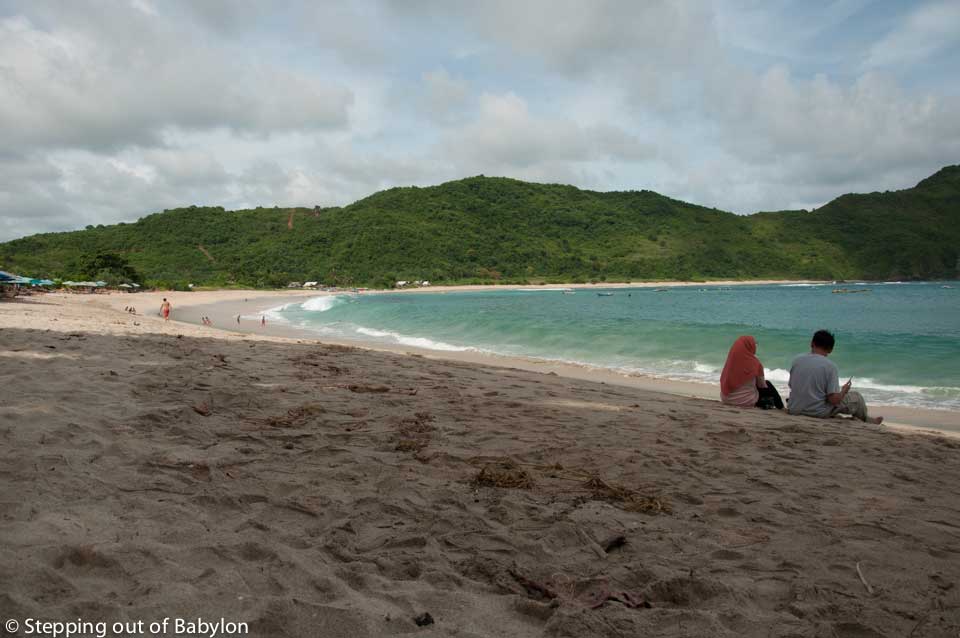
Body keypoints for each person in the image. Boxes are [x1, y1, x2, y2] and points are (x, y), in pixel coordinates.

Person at [787, 330, 883, 424]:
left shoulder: (797, 360)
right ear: (830, 349)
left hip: (794, 409)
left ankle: (865, 419)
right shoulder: (830, 366)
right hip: (816, 412)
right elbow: (833, 400)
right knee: (857, 398)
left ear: (812, 344)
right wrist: (844, 391)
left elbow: (791, 385)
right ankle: (866, 420)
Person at [720, 335, 783, 409]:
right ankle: (781, 407)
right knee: (767, 383)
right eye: (754, 344)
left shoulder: (730, 362)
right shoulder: (755, 363)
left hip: (726, 399)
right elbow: (762, 385)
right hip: (745, 401)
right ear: (750, 346)